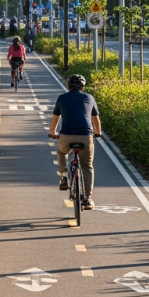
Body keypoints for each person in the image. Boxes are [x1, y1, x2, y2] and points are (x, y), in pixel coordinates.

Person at [48, 74, 102, 210]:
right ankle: (88, 199)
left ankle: (64, 175)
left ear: (69, 86)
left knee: (61, 151)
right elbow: (95, 119)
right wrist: (98, 132)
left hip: (67, 135)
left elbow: (55, 118)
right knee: (87, 166)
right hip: (85, 136)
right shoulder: (89, 98)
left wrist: (52, 133)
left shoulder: (62, 98)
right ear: (83, 87)